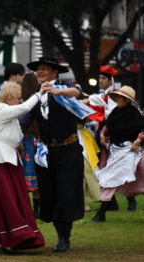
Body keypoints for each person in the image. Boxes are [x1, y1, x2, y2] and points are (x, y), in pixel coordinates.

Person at [0, 81, 45, 254]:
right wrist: (39, 93)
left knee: (9, 199)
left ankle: (0, 238)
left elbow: (15, 133)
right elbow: (24, 108)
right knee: (1, 200)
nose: (20, 101)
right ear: (9, 98)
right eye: (18, 98)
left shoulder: (9, 115)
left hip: (6, 160)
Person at [20, 56, 85, 252]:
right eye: (38, 69)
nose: (40, 72)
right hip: (47, 152)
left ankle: (64, 237)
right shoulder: (36, 95)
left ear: (55, 72)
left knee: (66, 193)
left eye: (44, 69)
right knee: (50, 194)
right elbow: (26, 119)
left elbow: (78, 92)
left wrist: (57, 91)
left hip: (69, 149)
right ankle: (59, 233)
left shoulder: (64, 86)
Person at [91, 86, 144, 222]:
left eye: (121, 98)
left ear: (127, 100)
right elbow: (108, 125)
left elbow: (142, 129)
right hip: (115, 150)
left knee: (110, 179)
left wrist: (137, 141)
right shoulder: (115, 111)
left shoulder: (134, 113)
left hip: (129, 150)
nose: (118, 99)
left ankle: (100, 214)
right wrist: (103, 133)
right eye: (117, 97)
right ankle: (101, 214)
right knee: (112, 178)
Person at [21, 72, 41, 218]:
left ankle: (26, 210)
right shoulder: (40, 100)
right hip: (38, 141)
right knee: (38, 174)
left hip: (24, 141)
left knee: (25, 175)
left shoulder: (21, 103)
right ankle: (37, 210)